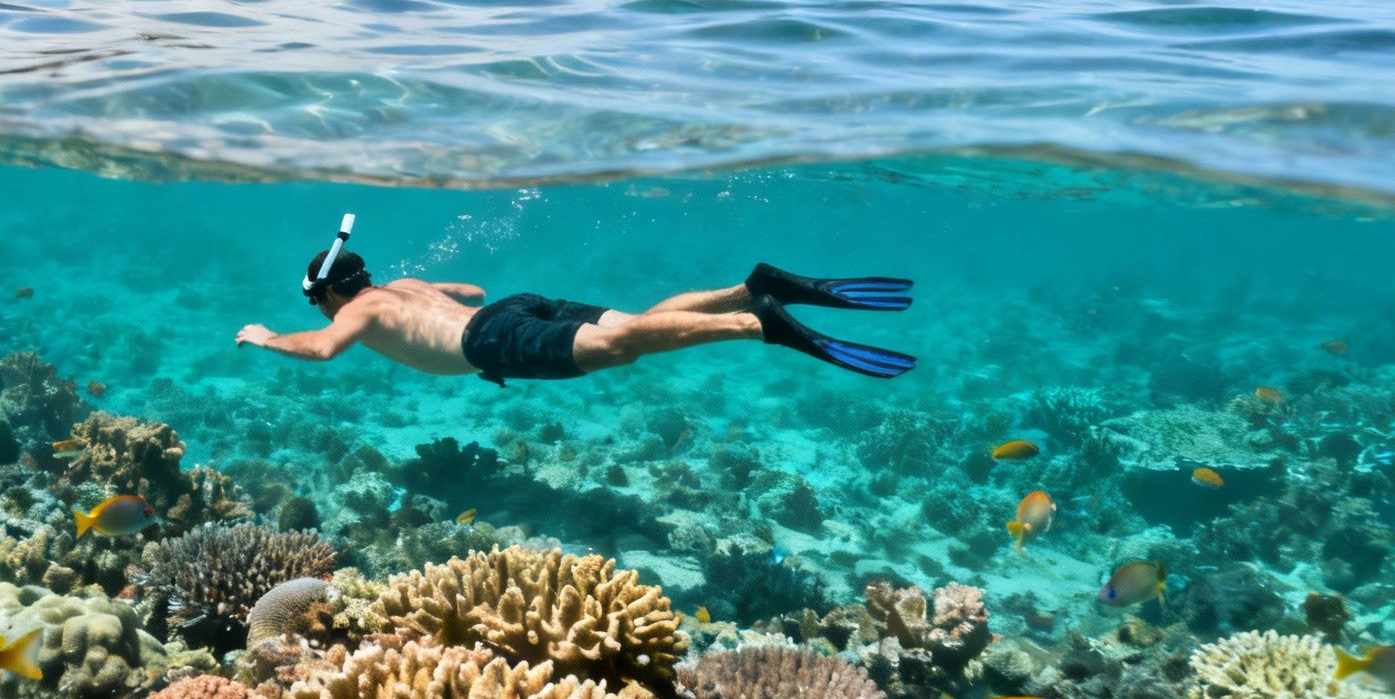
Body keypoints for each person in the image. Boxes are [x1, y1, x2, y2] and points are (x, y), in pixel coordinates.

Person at [234, 232, 915, 384]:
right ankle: (749, 288)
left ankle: (754, 322)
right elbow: (469, 292)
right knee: (636, 324)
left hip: (494, 343)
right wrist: (431, 300)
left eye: (318, 303)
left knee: (624, 345)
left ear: (327, 295)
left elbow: (323, 348)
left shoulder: (358, 313)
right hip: (515, 305)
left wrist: (266, 337)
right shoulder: (402, 286)